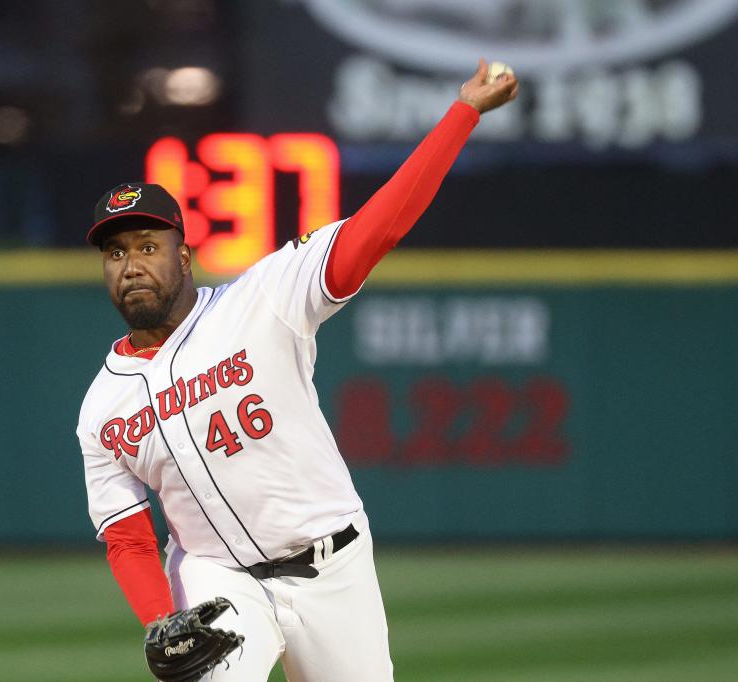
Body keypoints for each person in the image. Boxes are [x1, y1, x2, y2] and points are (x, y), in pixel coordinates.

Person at [76, 59, 518, 681]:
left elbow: (376, 230)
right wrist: (158, 618)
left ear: (185, 254)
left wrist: (462, 113)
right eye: (116, 252)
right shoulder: (102, 407)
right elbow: (126, 534)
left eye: (148, 246)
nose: (130, 264)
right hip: (215, 581)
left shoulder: (265, 298)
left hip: (332, 565)